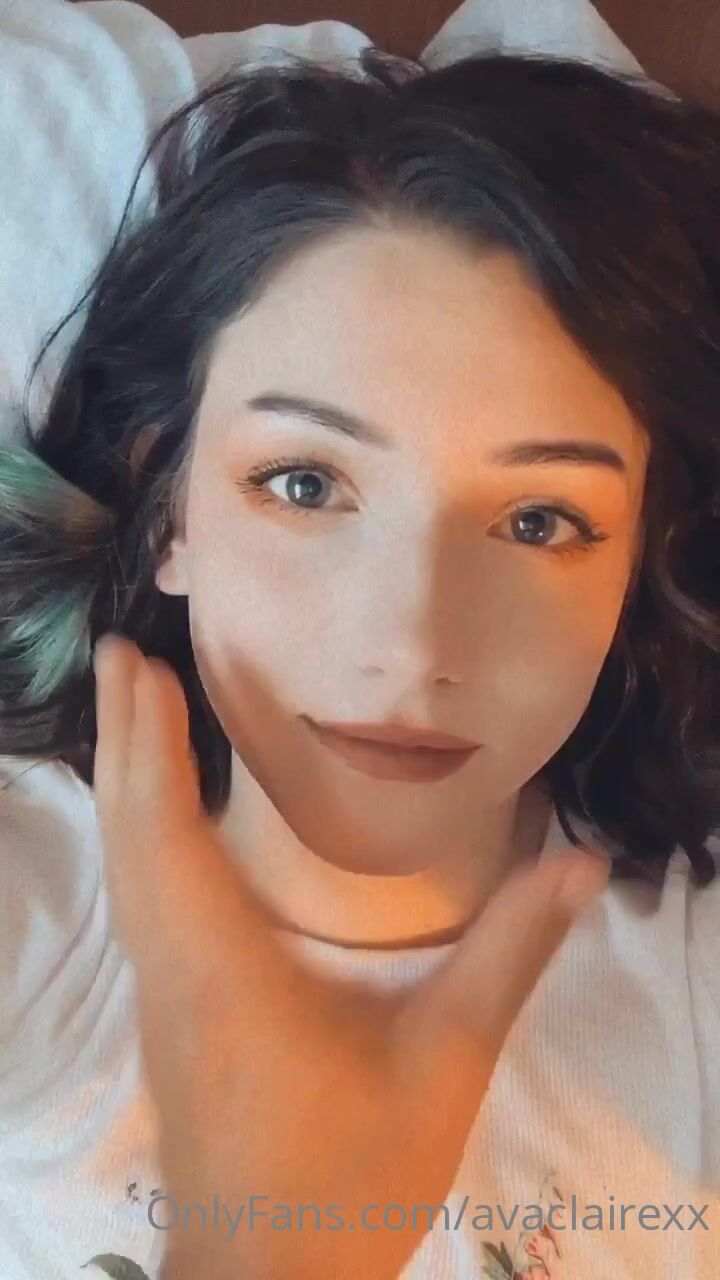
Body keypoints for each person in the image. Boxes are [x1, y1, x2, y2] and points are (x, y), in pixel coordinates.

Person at [1, 45, 719, 1280]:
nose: (413, 644)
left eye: (539, 520)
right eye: (304, 483)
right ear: (167, 508)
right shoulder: (35, 909)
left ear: (641, 560)